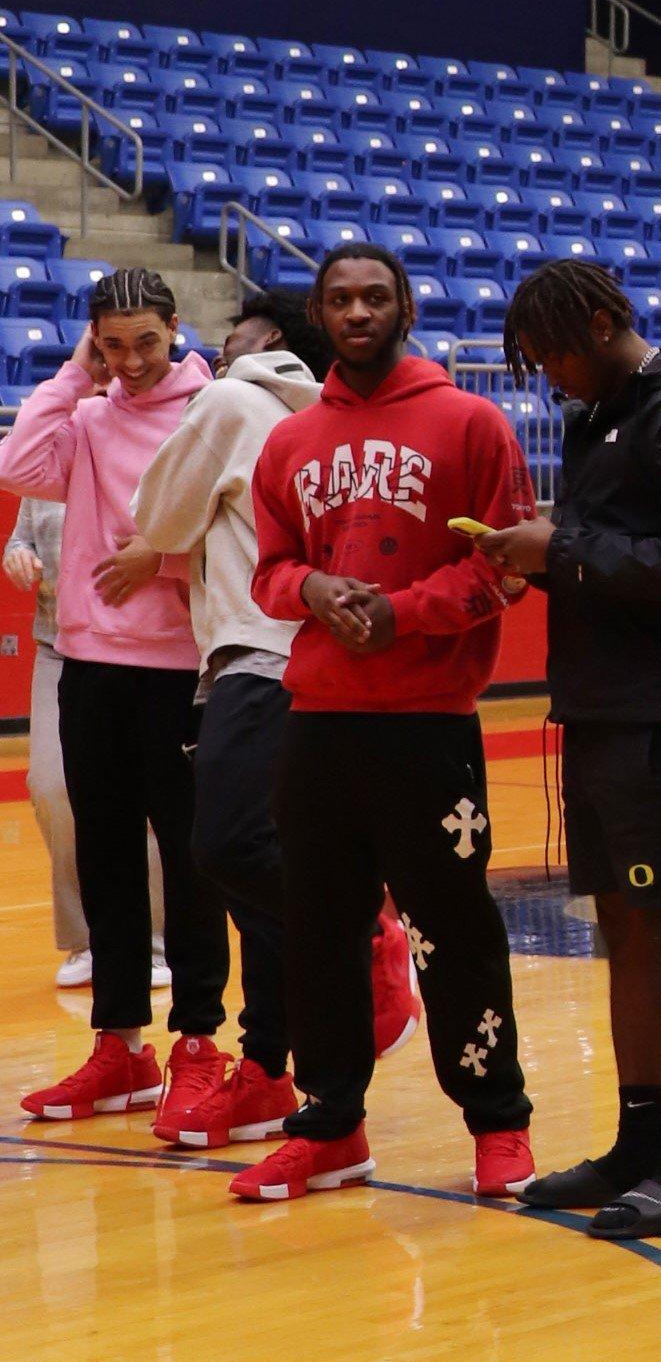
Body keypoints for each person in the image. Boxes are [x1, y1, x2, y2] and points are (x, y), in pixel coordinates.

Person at [233, 243, 538, 1203]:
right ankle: (332, 1125)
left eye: (374, 297)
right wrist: (315, 590)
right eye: (340, 300)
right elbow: (268, 572)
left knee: (455, 931)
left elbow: (505, 567)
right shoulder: (289, 442)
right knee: (318, 934)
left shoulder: (472, 422)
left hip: (429, 721)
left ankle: (498, 1120)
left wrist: (400, 613)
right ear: (319, 316)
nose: (358, 312)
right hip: (319, 721)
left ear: (405, 306)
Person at [486, 262, 661, 1239]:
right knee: (622, 926)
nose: (549, 374)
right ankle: (638, 1145)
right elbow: (617, 551)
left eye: (554, 353)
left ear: (602, 323)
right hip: (603, 704)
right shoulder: (598, 416)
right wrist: (543, 554)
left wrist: (557, 552)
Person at [2, 271, 225, 1126]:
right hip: (91, 664)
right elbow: (18, 466)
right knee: (105, 857)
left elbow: (236, 529)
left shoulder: (211, 414)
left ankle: (198, 1042)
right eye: (113, 345)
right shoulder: (91, 416)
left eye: (146, 343)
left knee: (192, 860)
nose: (130, 362)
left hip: (180, 666)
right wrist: (73, 374)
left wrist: (158, 561)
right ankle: (122, 1046)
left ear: (177, 328)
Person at [127, 287, 344, 1151]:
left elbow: (156, 518)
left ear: (272, 338)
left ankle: (363, 934)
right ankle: (267, 1069)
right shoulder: (321, 415)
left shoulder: (230, 399)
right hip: (319, 663)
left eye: (233, 332)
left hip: (256, 654)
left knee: (226, 849)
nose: (218, 346)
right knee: (260, 893)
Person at [5, 495, 104, 988]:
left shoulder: (137, 455)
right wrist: (18, 556)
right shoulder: (42, 477)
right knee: (50, 787)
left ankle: (152, 943)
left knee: (140, 798)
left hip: (132, 644)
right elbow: (18, 541)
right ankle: (85, 940)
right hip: (57, 646)